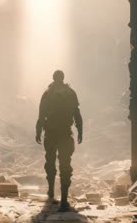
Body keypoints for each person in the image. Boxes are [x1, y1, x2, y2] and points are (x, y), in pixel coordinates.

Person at [36, 70, 83, 212]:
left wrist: (38, 131)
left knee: (50, 162)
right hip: (64, 134)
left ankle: (51, 192)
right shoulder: (71, 93)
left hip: (50, 133)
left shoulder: (47, 94)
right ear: (63, 78)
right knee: (65, 165)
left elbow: (41, 115)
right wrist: (80, 130)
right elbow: (77, 113)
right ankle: (63, 201)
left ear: (53, 78)